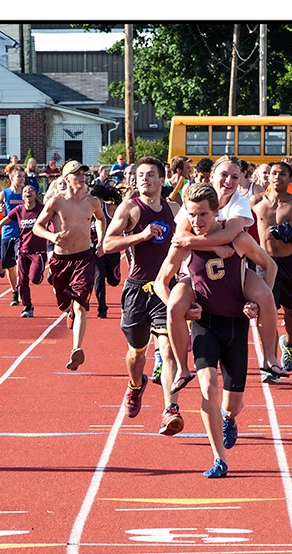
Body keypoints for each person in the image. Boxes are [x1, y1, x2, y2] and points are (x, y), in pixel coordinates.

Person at [153, 182, 276, 479]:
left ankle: (230, 415)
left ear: (216, 212)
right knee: (207, 387)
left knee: (233, 404)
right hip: (205, 323)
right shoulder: (183, 243)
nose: (197, 221)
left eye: (203, 215)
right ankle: (218, 457)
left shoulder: (238, 239)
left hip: (234, 323)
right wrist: (183, 310)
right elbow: (160, 282)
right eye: (192, 215)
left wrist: (257, 304)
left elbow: (268, 266)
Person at [167, 155, 286, 387]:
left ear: (242, 178)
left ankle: (270, 356)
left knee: (265, 296)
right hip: (196, 270)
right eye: (223, 175)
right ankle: (182, 368)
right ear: (211, 176)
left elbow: (229, 235)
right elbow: (180, 236)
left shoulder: (240, 202)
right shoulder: (194, 198)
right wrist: (214, 246)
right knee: (175, 306)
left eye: (235, 176)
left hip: (233, 265)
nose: (229, 181)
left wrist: (217, 245)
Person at [102, 156, 185, 436]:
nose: (144, 179)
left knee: (169, 348)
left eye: (150, 175)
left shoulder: (175, 209)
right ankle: (136, 386)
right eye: (140, 175)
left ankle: (170, 409)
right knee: (137, 352)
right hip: (137, 288)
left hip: (166, 286)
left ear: (162, 179)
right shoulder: (130, 208)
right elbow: (107, 244)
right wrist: (140, 236)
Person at [33, 160, 106, 370]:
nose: (82, 177)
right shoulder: (56, 201)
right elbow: (38, 226)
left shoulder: (92, 202)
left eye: (83, 173)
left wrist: (100, 240)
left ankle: (76, 348)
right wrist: (52, 236)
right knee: (66, 304)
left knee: (81, 305)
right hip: (60, 260)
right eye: (76, 174)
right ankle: (69, 312)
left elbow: (100, 219)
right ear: (66, 179)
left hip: (84, 257)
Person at [252, 161, 292, 374]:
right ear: (268, 177)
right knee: (266, 310)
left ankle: (288, 343)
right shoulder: (256, 202)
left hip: (289, 261)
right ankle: (270, 359)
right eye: (273, 173)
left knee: (291, 310)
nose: (277, 177)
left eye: (282, 174)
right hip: (264, 263)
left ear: (291, 179)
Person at [0, 184, 50, 317]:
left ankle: (43, 275)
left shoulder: (42, 209)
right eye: (25, 191)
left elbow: (55, 220)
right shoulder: (19, 210)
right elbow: (1, 223)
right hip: (23, 250)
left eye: (31, 190)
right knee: (22, 281)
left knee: (35, 278)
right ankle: (27, 307)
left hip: (38, 252)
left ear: (35, 194)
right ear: (22, 196)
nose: (28, 192)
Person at [89, 181, 124, 318]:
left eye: (95, 199)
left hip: (111, 248)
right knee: (99, 277)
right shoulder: (86, 210)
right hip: (94, 248)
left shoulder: (112, 209)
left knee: (114, 281)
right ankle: (102, 308)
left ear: (101, 199)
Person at [0, 165, 27, 305]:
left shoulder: (27, 194)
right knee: (9, 266)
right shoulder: (5, 194)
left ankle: (22, 288)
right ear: (11, 178)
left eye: (23, 177)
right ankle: (14, 291)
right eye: (19, 176)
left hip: (23, 234)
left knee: (21, 261)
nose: (21, 179)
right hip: (7, 233)